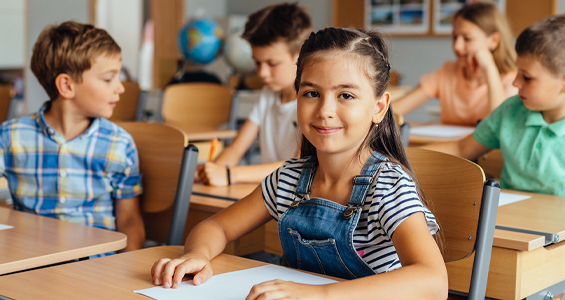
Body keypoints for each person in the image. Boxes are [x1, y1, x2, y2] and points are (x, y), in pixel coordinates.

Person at [151, 27, 448, 299]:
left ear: (379, 107)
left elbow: (433, 281)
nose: (325, 110)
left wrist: (320, 295)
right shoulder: (289, 179)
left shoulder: (388, 185)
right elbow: (217, 225)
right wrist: (198, 254)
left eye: (345, 95)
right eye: (311, 93)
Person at [0, 21, 145, 252]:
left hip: (97, 267)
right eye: (109, 79)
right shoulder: (10, 137)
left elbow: (129, 221)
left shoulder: (119, 144)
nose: (121, 88)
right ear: (66, 86)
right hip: (30, 264)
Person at [425, 14, 565, 200]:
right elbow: (461, 149)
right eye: (517, 72)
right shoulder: (511, 110)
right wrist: (399, 158)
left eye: (527, 77)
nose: (516, 83)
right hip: (508, 223)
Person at [196, 3, 312, 186]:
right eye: (257, 63)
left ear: (300, 56)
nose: (262, 73)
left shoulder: (312, 102)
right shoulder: (268, 94)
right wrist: (209, 171)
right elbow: (236, 148)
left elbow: (297, 167)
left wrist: (230, 174)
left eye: (272, 63)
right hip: (269, 193)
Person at [392, 2, 517, 126]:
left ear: (493, 40)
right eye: (455, 37)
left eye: (467, 38)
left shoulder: (513, 80)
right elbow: (395, 109)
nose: (457, 46)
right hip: (451, 145)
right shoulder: (447, 73)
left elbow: (501, 124)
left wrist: (490, 68)